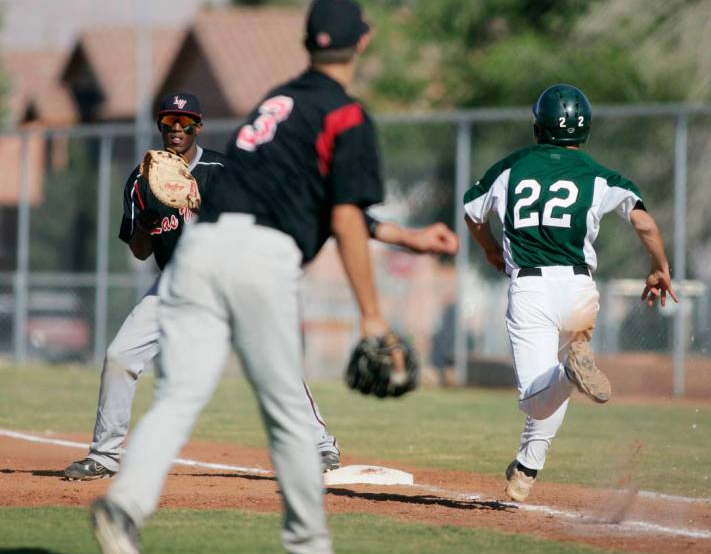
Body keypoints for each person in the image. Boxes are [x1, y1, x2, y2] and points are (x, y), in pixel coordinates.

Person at [90, 0, 455, 554]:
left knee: (179, 396)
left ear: (306, 42)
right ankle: (310, 553)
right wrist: (372, 317)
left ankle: (125, 507)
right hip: (263, 259)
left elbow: (311, 200)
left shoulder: (275, 102)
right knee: (287, 410)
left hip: (200, 254)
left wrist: (409, 239)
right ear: (362, 43)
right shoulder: (347, 116)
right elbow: (342, 218)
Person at [64, 92, 457, 482]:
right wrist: (150, 217)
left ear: (198, 127)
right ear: (160, 126)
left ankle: (320, 443)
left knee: (274, 361)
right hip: (176, 282)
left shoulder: (223, 169)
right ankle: (104, 455)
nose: (177, 129)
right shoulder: (142, 178)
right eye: (168, 122)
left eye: (185, 122)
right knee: (120, 356)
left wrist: (201, 202)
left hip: (233, 276)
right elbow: (138, 249)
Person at [463, 83, 677, 503]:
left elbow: (472, 211)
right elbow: (645, 224)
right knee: (553, 388)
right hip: (580, 289)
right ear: (586, 130)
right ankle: (526, 471)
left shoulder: (512, 166)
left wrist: (490, 247)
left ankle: (570, 371)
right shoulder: (599, 174)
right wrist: (659, 267)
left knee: (537, 397)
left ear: (537, 128)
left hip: (531, 288)